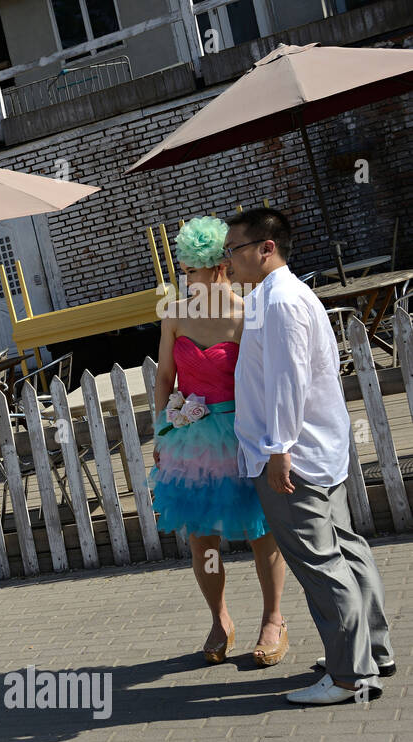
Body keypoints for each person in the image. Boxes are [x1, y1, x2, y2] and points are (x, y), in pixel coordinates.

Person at [226, 207, 394, 705]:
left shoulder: (279, 302)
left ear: (265, 248)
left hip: (293, 457)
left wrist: (278, 448)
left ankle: (350, 676)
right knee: (346, 550)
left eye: (234, 249)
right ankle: (372, 651)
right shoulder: (278, 296)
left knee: (320, 563)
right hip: (317, 449)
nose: (228, 259)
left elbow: (287, 381)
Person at [149, 216, 288, 666]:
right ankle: (220, 618)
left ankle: (273, 619)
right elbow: (165, 379)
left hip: (242, 436)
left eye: (193, 270)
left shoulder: (247, 315)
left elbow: (267, 382)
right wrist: (162, 430)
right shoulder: (173, 316)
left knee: (260, 533)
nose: (186, 279)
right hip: (191, 441)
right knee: (202, 538)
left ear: (220, 269)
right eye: (183, 270)